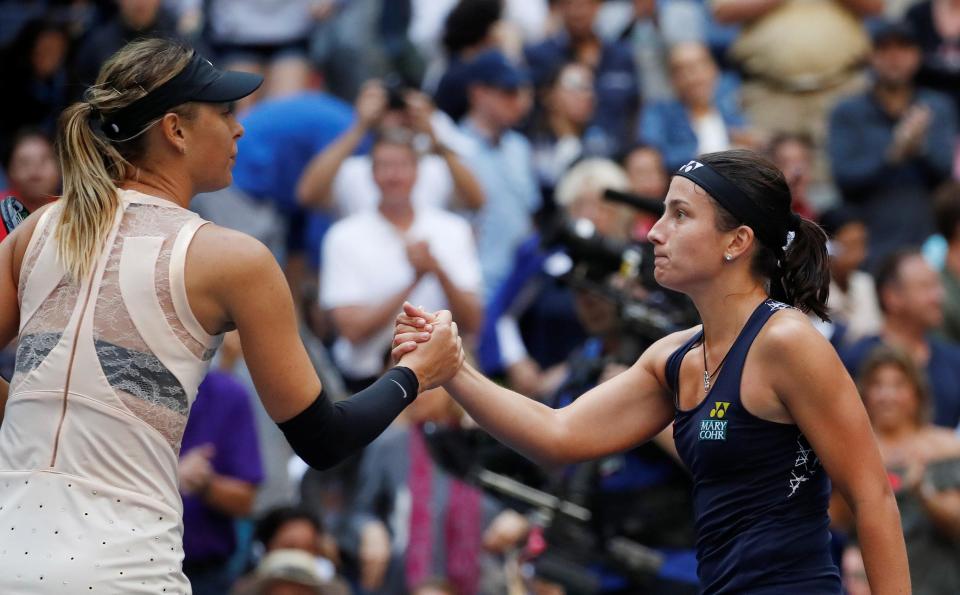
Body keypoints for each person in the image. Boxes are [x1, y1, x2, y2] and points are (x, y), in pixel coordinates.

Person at [0, 38, 462, 593]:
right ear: (175, 130)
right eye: (225, 113)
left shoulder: (35, 230)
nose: (239, 128)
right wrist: (415, 376)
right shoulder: (234, 258)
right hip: (125, 570)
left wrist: (29, 403)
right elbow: (323, 441)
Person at [396, 149, 910, 592]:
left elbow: (872, 498)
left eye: (680, 215)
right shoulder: (675, 357)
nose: (655, 233)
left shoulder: (788, 341)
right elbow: (557, 433)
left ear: (737, 242)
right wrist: (454, 369)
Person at [853, 347, 960, 593]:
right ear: (864, 394)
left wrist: (925, 493)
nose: (887, 396)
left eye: (899, 385)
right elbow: (833, 519)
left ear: (917, 393)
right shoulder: (852, 451)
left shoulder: (945, 447)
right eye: (877, 385)